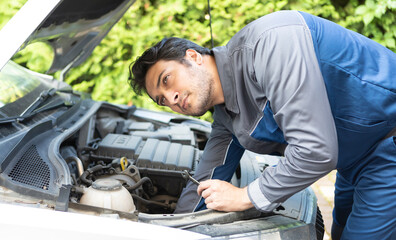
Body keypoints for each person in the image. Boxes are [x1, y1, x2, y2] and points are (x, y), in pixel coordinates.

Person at [128, 10, 396, 240]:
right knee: (338, 232)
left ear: (193, 57)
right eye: (162, 100)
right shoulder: (225, 116)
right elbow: (207, 177)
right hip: (354, 157)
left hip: (388, 142)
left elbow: (316, 151)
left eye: (167, 79)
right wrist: (173, 229)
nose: (171, 98)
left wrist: (245, 196)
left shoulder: (271, 44)